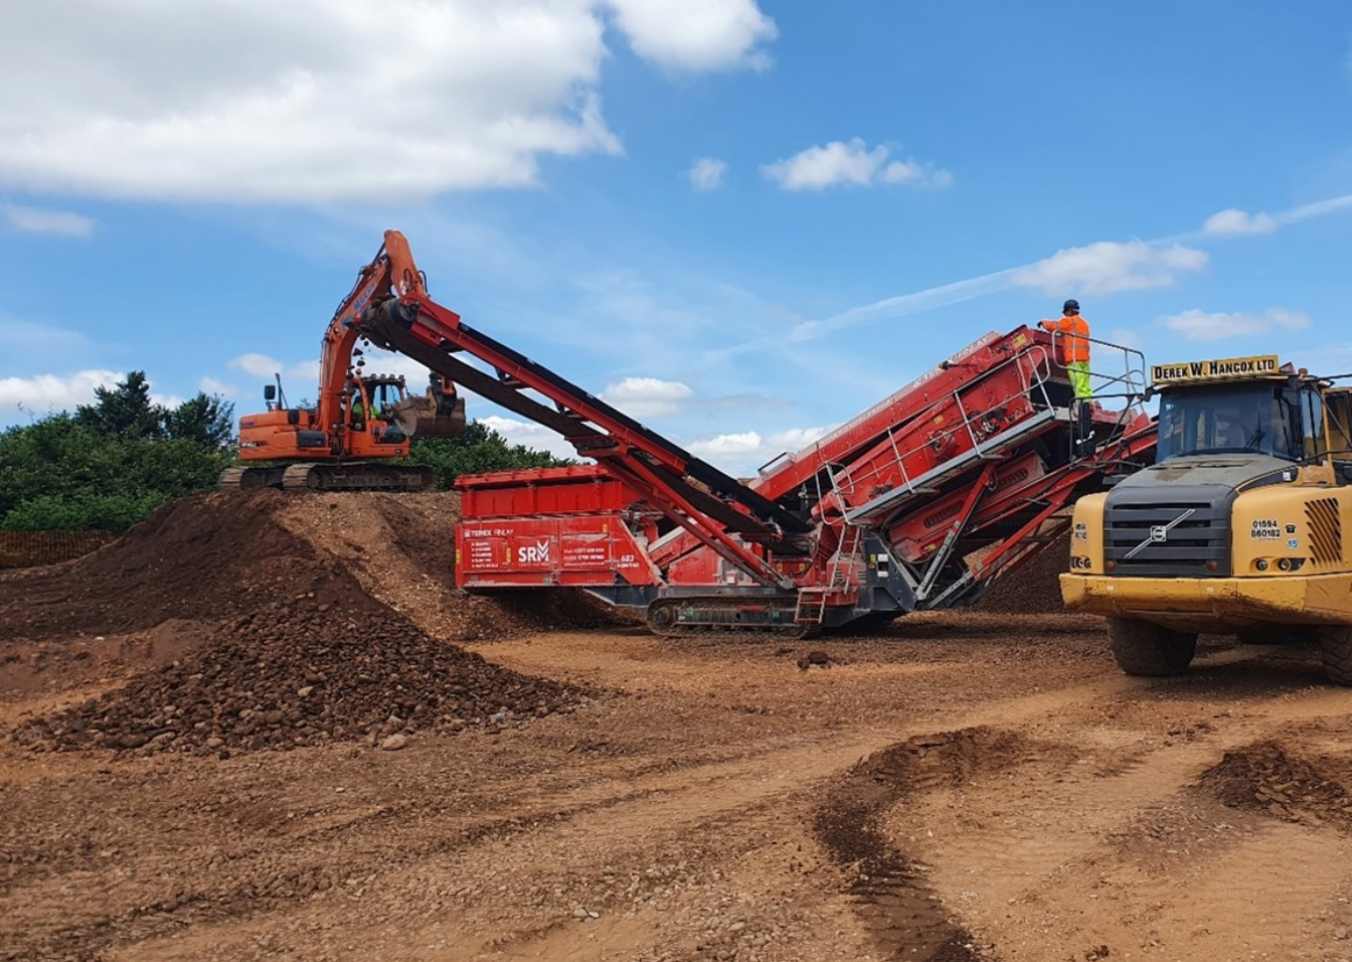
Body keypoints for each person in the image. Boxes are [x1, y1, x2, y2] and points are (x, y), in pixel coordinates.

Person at [1039, 299, 1092, 401]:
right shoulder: (1084, 323)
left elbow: (1054, 326)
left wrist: (1043, 323)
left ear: (1069, 311)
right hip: (1085, 359)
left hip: (1074, 359)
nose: (1065, 315)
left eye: (1066, 312)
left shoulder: (1069, 321)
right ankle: (1088, 403)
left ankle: (1083, 407)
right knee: (1085, 385)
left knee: (1078, 384)